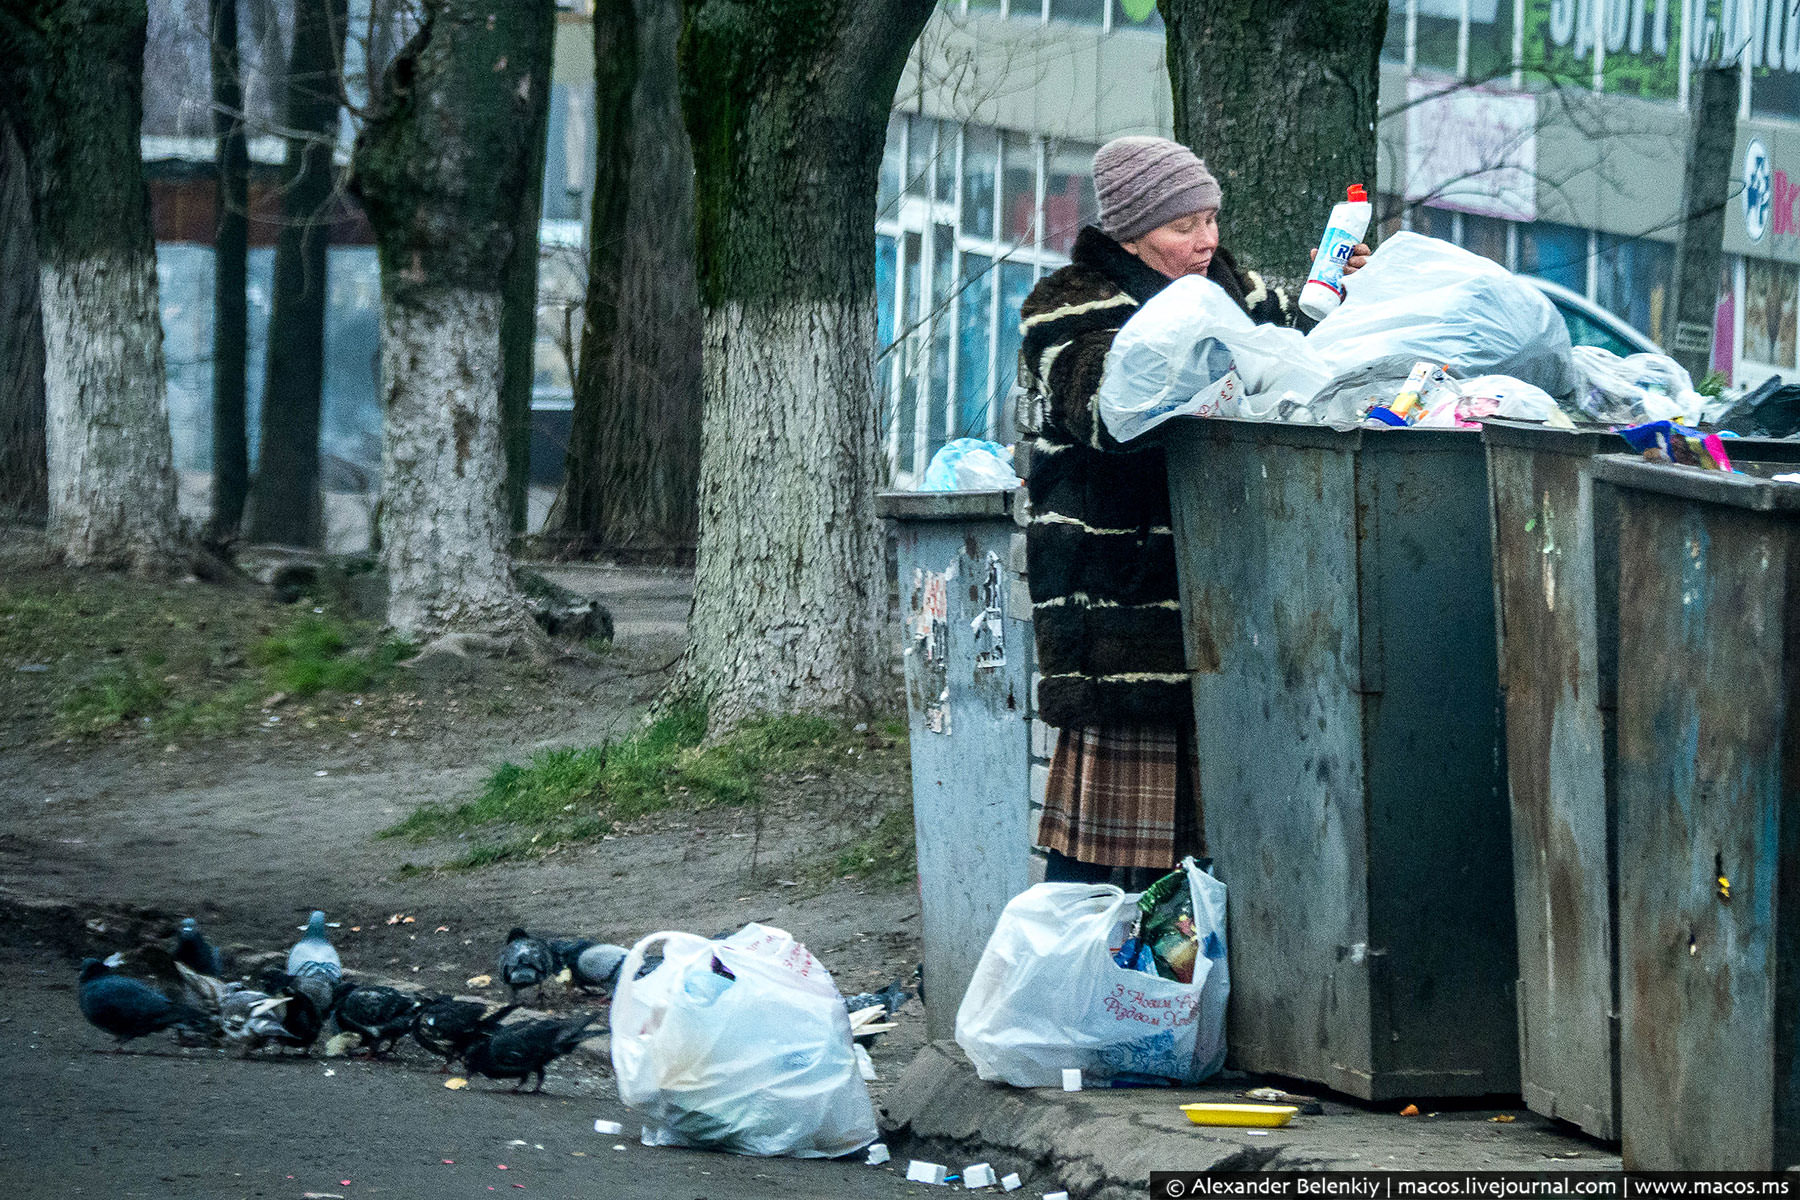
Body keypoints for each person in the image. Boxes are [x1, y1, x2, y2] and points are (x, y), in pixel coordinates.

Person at [1016, 135, 1368, 887]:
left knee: (1209, 877)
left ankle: (1185, 1008)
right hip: (1125, 627)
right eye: (1185, 226)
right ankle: (1070, 1001)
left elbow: (1315, 368)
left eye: (1211, 219)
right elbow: (1103, 414)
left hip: (1228, 623)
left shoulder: (1237, 294)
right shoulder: (1070, 304)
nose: (1207, 241)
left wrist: (1347, 298)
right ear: (1131, 231)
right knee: (1101, 876)